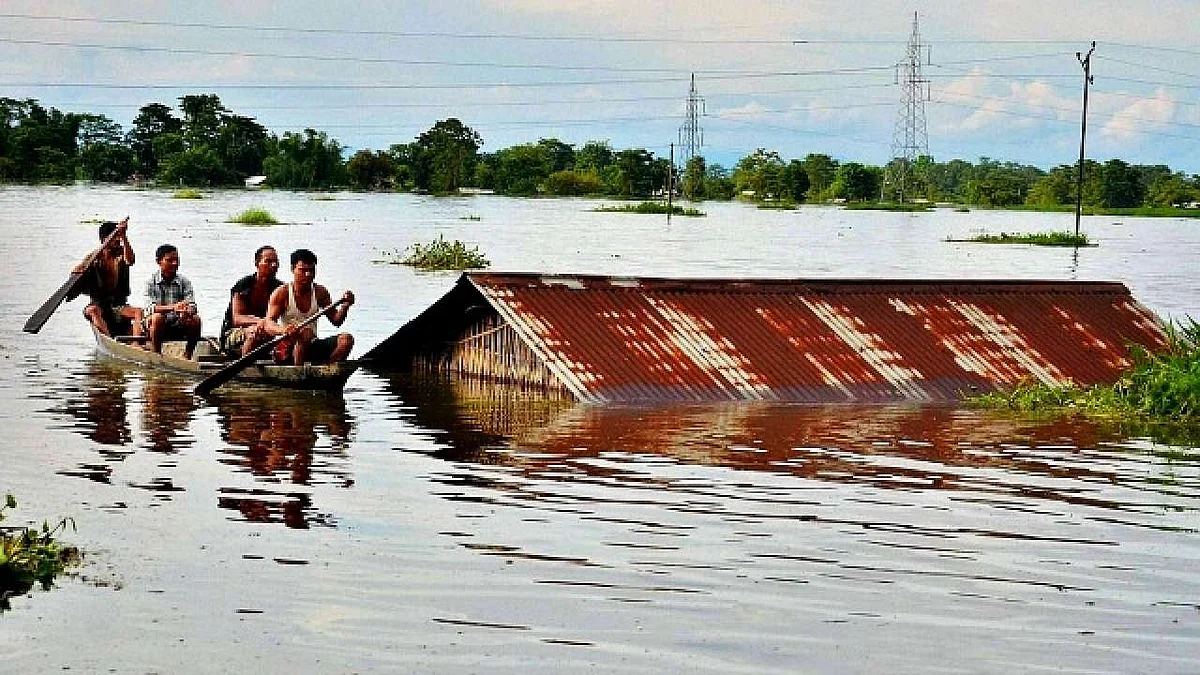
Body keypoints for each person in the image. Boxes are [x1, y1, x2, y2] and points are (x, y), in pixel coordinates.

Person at [266, 249, 355, 365]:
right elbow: (268, 323)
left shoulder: (320, 292)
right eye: (303, 270)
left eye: (311, 270)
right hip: (287, 349)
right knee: (305, 333)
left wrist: (345, 306)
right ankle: (298, 373)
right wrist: (284, 330)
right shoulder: (282, 293)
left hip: (311, 344)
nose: (308, 275)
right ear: (293, 269)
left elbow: (336, 321)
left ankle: (325, 372)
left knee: (346, 340)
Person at [72, 218, 145, 338]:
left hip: (118, 305)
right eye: (114, 237)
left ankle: (136, 342)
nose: (117, 240)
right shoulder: (94, 257)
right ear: (103, 240)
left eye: (118, 237)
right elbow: (78, 272)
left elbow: (130, 260)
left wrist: (124, 236)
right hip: (98, 305)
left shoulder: (122, 253)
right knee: (93, 310)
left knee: (138, 312)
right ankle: (108, 339)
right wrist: (78, 271)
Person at [221, 245, 283, 356]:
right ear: (257, 263)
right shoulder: (244, 285)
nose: (273, 265)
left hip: (267, 332)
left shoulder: (280, 288)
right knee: (254, 332)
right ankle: (246, 368)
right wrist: (260, 322)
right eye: (268, 261)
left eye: (276, 262)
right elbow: (237, 318)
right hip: (234, 334)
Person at [144, 243, 202, 358]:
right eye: (169, 260)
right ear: (159, 261)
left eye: (176, 260)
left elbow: (192, 304)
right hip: (156, 323)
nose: (174, 263)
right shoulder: (151, 282)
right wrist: (174, 307)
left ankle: (187, 355)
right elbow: (150, 308)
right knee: (157, 317)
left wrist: (187, 311)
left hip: (177, 321)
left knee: (196, 320)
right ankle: (157, 354)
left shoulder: (184, 281)